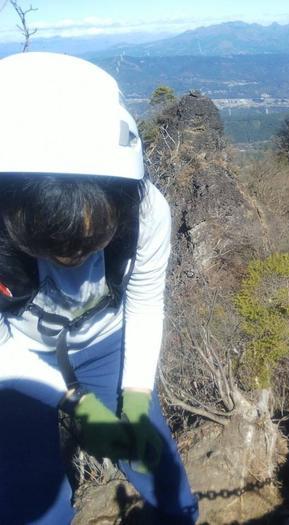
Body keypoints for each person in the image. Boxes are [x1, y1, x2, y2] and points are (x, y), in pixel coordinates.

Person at [0, 52, 198, 524]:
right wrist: (73, 400)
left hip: (104, 336)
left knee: (156, 464)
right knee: (26, 495)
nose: (72, 258)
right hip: (14, 347)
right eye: (48, 243)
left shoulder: (145, 210)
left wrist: (133, 394)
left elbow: (145, 300)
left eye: (91, 240)